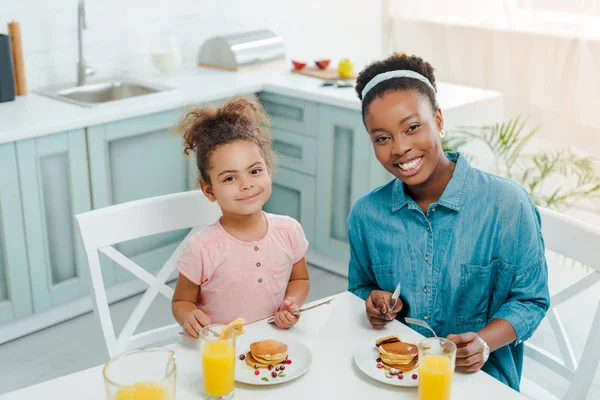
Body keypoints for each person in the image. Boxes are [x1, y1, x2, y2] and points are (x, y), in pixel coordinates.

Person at [347, 53, 550, 390]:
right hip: (389, 376)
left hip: (481, 381)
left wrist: (484, 342)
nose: (400, 148)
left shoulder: (507, 205)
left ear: (438, 120)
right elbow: (359, 288)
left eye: (413, 127)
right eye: (382, 138)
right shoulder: (366, 216)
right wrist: (373, 301)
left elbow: (531, 300)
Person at [171, 96, 310, 338]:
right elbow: (182, 301)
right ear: (209, 190)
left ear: (267, 169)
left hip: (273, 342)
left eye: (254, 171)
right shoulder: (201, 248)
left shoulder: (289, 231)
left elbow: (300, 279)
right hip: (222, 350)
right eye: (229, 178)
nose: (246, 185)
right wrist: (188, 317)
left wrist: (291, 303)